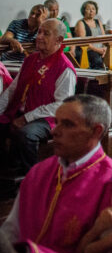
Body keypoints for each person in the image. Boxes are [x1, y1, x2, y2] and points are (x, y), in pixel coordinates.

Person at [0, 95, 112, 253]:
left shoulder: (111, 182)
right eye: (57, 121)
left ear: (96, 131)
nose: (54, 130)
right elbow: (12, 228)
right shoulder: (39, 171)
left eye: (68, 124)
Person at [0, 18, 76, 172]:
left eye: (45, 33)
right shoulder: (30, 60)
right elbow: (13, 89)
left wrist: (26, 118)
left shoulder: (64, 68)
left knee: (26, 134)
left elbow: (61, 105)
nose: (39, 37)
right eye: (39, 32)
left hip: (47, 119)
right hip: (22, 111)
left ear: (59, 40)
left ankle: (33, 176)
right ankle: (7, 174)